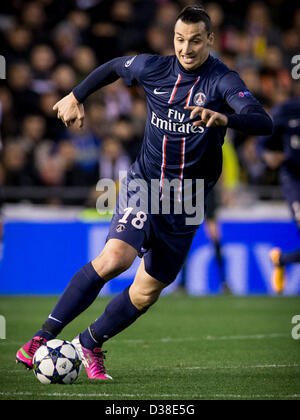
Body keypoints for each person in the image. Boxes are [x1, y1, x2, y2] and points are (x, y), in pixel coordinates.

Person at [16, 7, 272, 380]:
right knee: (115, 258)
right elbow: (114, 67)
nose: (186, 48)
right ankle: (41, 338)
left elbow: (261, 120)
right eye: (180, 39)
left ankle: (89, 343)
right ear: (173, 38)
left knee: (146, 292)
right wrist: (76, 94)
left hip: (188, 200)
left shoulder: (222, 81)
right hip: (144, 185)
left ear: (210, 40)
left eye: (196, 40)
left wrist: (225, 118)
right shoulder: (154, 68)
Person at [257, 85, 300, 294]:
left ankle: (282, 259)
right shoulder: (287, 110)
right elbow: (263, 141)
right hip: (295, 180)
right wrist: (267, 155)